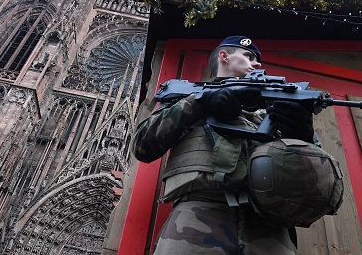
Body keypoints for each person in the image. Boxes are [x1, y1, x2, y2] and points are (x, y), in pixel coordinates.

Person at [132, 36, 316, 254]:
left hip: (270, 226)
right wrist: (199, 103)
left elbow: (312, 178)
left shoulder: (271, 110)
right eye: (248, 56)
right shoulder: (189, 96)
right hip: (196, 218)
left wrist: (304, 135)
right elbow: (143, 145)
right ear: (224, 56)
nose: (257, 64)